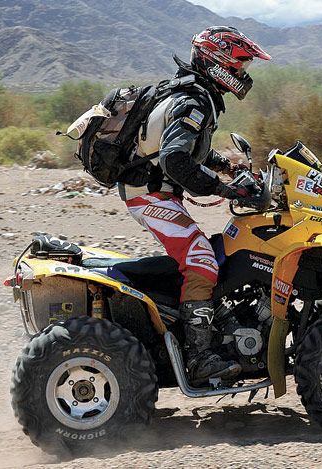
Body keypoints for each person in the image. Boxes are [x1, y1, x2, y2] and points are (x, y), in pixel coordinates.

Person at [118, 26, 271, 385]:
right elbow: (174, 159)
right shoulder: (194, 101)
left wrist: (226, 166)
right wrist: (225, 189)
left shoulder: (194, 94)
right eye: (239, 65)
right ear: (217, 62)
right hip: (149, 195)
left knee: (216, 251)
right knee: (201, 258)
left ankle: (219, 325)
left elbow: (189, 148)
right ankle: (201, 358)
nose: (243, 73)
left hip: (154, 192)